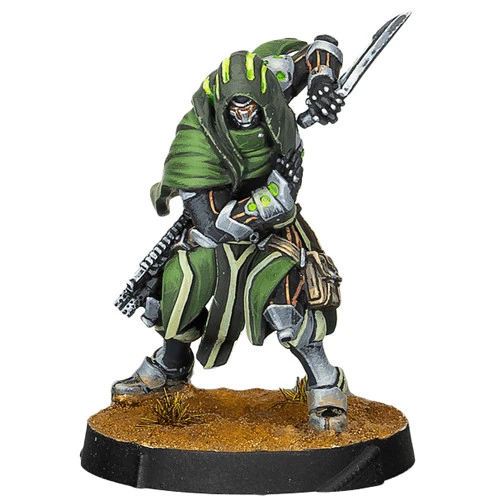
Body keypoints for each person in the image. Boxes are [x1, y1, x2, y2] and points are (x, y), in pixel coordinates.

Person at [113, 36, 349, 432]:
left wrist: (323, 81)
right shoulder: (195, 137)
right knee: (179, 284)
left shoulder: (271, 78)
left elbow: (321, 47)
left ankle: (325, 381)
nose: (244, 113)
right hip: (219, 227)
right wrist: (275, 195)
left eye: (251, 105)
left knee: (289, 299)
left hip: (277, 229)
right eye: (235, 107)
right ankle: (171, 365)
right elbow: (213, 223)